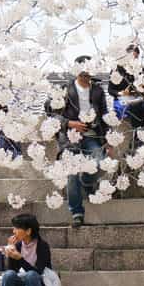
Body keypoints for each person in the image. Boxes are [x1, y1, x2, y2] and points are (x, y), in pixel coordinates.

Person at [51, 60, 109, 227]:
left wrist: (109, 142)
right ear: (76, 71)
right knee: (71, 174)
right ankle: (76, 212)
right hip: (70, 137)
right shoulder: (64, 90)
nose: (85, 74)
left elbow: (104, 115)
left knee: (101, 163)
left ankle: (88, 180)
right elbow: (51, 115)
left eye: (88, 71)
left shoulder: (97, 91)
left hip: (92, 135)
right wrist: (70, 123)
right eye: (82, 71)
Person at [109, 44, 144, 141]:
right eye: (132, 57)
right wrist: (121, 93)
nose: (134, 60)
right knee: (134, 107)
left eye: (136, 57)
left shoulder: (141, 69)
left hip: (136, 99)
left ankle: (138, 135)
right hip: (121, 100)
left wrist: (139, 90)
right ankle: (136, 136)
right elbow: (110, 90)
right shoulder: (116, 69)